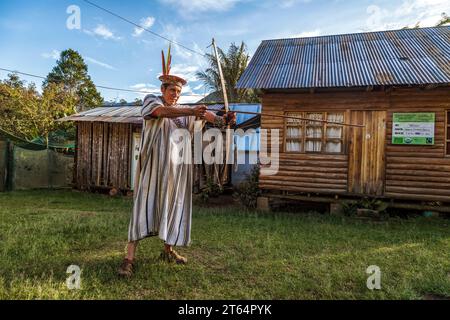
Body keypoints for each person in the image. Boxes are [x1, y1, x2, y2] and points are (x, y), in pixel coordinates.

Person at [118, 61, 236, 277]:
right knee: (142, 208)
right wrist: (192, 110)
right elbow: (161, 112)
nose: (175, 94)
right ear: (162, 90)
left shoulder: (184, 113)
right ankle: (128, 259)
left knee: (173, 208)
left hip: (177, 172)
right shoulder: (151, 101)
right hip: (153, 169)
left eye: (179, 91)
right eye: (172, 90)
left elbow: (208, 117)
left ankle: (168, 250)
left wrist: (223, 119)